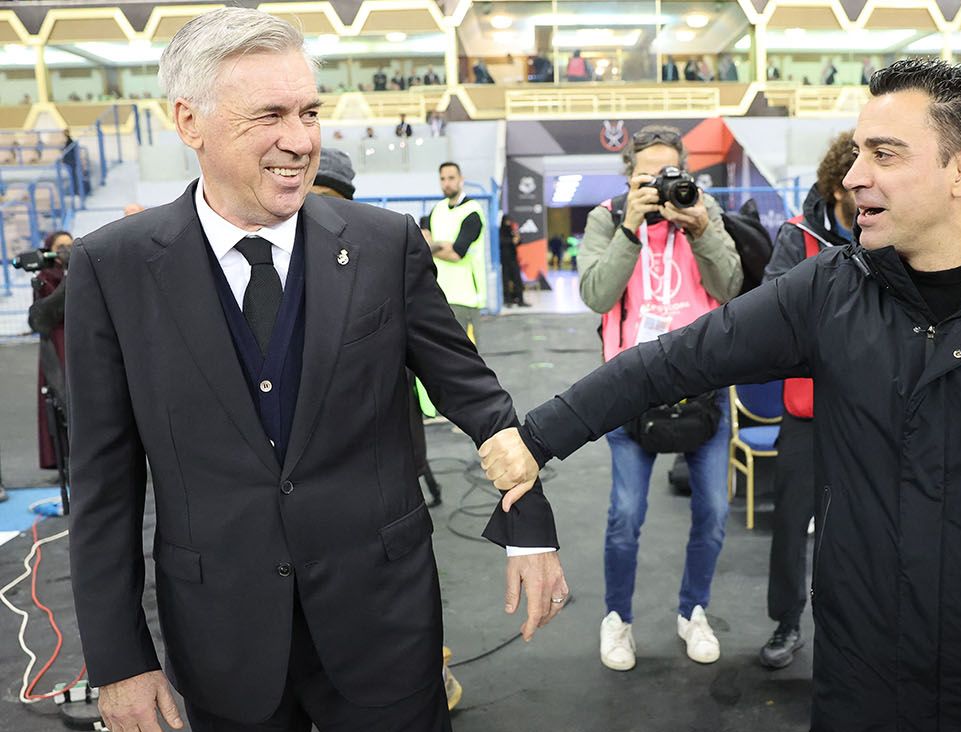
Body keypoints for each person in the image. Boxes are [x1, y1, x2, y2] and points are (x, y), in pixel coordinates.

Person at [482, 59, 961, 732]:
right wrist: (537, 437)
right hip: (862, 678)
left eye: (884, 154)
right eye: (857, 153)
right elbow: (673, 361)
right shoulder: (832, 290)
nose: (853, 176)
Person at [65, 9, 567, 732]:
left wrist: (533, 529)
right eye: (269, 115)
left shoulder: (383, 244)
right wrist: (118, 660)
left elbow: (474, 396)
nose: (299, 141)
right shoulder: (112, 269)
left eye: (309, 112)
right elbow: (104, 486)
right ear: (188, 120)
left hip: (385, 628)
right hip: (221, 641)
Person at [567, 125, 741, 671]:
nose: (664, 186)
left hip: (702, 386)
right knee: (625, 514)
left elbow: (732, 285)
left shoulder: (702, 211)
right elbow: (596, 293)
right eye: (649, 176)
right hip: (630, 389)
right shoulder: (608, 215)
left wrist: (701, 229)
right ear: (629, 175)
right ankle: (617, 619)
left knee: (713, 513)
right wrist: (631, 226)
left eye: (673, 175)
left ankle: (694, 611)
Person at [757, 131, 857, 670]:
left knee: (861, 530)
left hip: (869, 414)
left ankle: (853, 631)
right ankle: (786, 622)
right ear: (838, 186)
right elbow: (777, 315)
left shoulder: (887, 232)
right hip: (806, 414)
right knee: (791, 524)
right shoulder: (797, 238)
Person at [419, 162, 487, 337]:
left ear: (461, 180)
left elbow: (457, 253)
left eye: (451, 178)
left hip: (466, 299)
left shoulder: (472, 212)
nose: (446, 183)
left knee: (468, 358)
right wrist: (442, 246)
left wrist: (432, 246)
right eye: (442, 179)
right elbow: (423, 242)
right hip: (439, 296)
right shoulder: (437, 210)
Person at [32, 230, 72, 471]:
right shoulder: (44, 278)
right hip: (57, 345)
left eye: (69, 245)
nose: (66, 249)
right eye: (61, 246)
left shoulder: (85, 270)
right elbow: (44, 317)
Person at [499, 214, 527, 307]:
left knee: (517, 280)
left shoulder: (512, 231)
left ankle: (520, 300)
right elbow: (501, 242)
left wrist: (517, 239)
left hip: (513, 259)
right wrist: (511, 240)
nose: (508, 223)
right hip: (504, 260)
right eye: (507, 221)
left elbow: (518, 243)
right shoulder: (500, 231)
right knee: (505, 281)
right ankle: (508, 300)